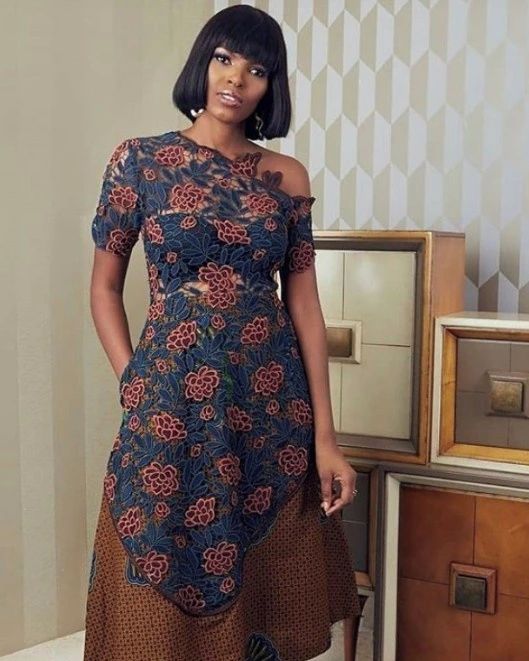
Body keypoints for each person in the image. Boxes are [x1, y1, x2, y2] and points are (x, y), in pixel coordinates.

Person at [84, 5, 362, 660]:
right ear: (202, 64)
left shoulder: (286, 176)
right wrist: (134, 381)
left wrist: (325, 438)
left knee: (265, 580)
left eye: (256, 69)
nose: (236, 78)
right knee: (159, 547)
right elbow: (103, 288)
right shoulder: (140, 161)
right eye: (223, 59)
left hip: (271, 406)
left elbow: (305, 307)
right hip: (171, 401)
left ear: (271, 85)